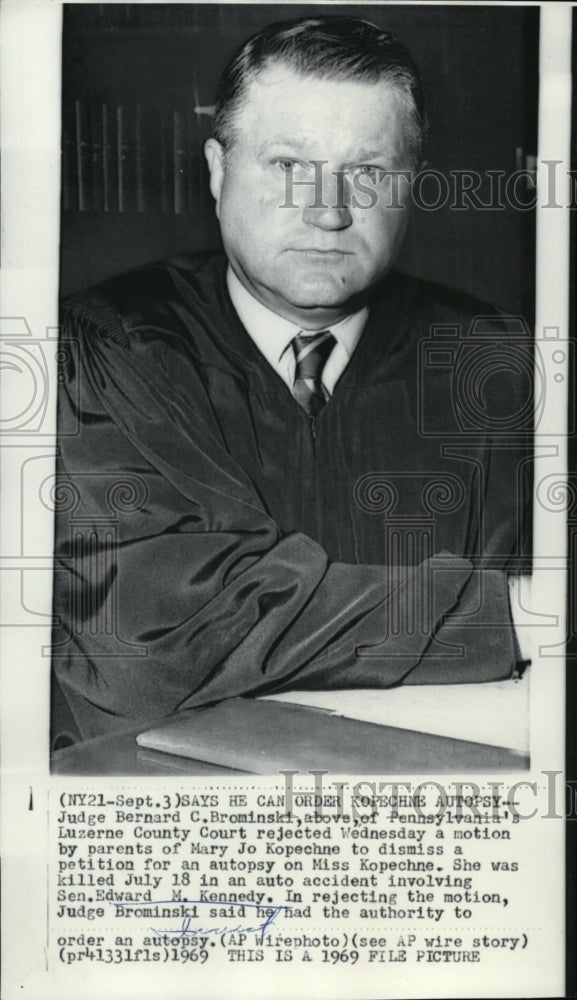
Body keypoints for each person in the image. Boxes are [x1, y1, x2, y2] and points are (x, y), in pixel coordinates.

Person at [52, 15, 532, 741]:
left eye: (366, 172)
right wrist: (511, 615)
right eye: (285, 165)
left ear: (412, 186)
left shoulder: (500, 366)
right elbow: (151, 642)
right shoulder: (104, 347)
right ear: (217, 170)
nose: (327, 210)